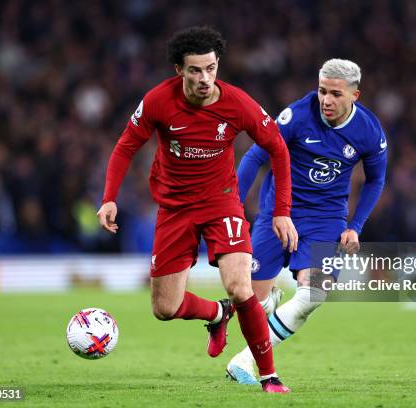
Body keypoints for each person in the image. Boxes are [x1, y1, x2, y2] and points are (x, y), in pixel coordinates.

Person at [96, 26, 298, 393]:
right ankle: (216, 314)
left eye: (211, 68)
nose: (205, 78)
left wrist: (282, 209)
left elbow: (279, 150)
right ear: (179, 70)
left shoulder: (237, 103)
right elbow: (126, 146)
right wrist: (109, 197)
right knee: (164, 308)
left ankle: (269, 376)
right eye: (195, 70)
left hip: (222, 203)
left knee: (240, 286)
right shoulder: (159, 101)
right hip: (174, 208)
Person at [226, 58, 387, 383]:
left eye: (335, 94)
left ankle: (243, 361)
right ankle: (267, 302)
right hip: (278, 213)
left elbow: (375, 180)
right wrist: (233, 208)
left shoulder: (369, 131)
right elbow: (256, 156)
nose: (326, 100)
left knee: (313, 296)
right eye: (322, 91)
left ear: (355, 95)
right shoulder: (297, 116)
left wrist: (355, 226)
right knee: (247, 300)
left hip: (325, 219)